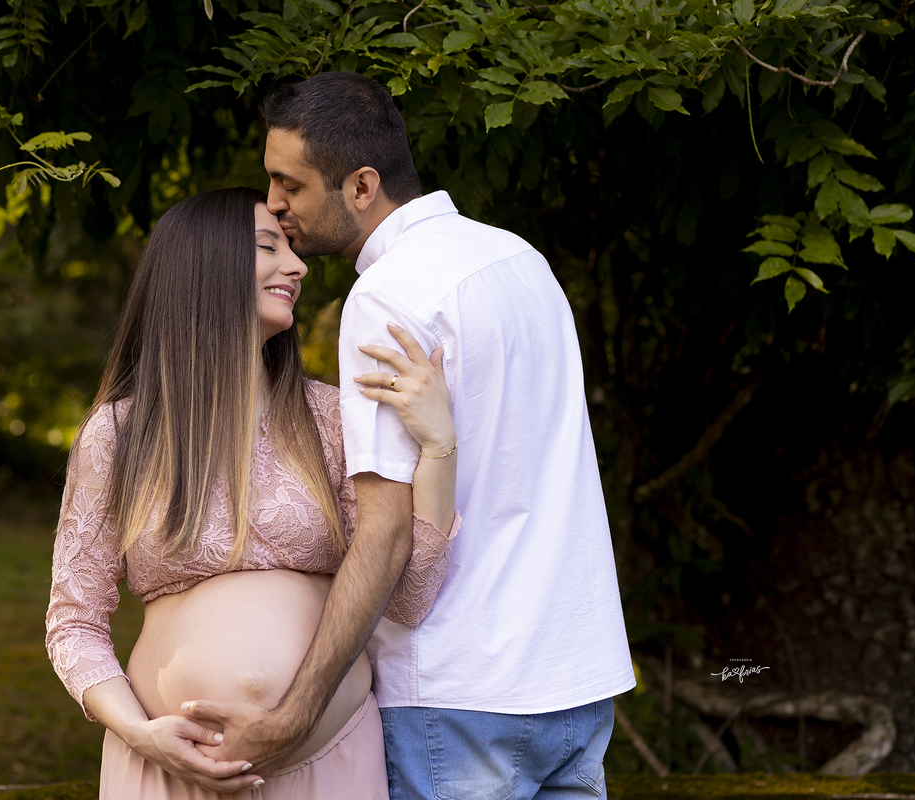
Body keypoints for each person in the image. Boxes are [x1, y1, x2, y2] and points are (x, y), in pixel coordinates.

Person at [183, 74, 637, 799]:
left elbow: (386, 534)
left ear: (361, 185)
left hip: (458, 691)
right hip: (576, 682)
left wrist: (292, 717)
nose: (273, 204)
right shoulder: (521, 261)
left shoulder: (389, 293)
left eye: (288, 185)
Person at [44, 187, 461, 798]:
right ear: (205, 266)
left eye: (292, 249)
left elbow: (407, 597)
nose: (297, 265)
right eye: (269, 247)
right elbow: (73, 620)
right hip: (165, 769)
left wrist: (439, 448)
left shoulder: (330, 419)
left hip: (329, 762)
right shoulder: (118, 434)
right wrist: (139, 731)